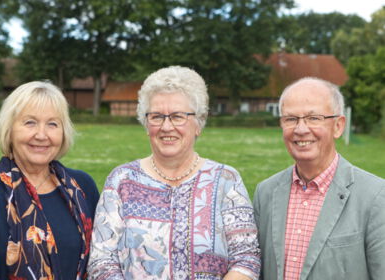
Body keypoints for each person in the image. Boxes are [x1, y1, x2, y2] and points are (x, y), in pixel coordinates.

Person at [87, 66, 260, 280]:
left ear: (198, 123)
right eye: (157, 116)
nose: (166, 127)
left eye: (178, 116)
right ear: (145, 123)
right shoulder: (122, 180)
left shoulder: (226, 180)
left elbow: (246, 259)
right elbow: (101, 262)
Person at [253, 77, 385, 280]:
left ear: (339, 126)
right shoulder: (265, 193)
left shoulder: (375, 197)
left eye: (313, 118)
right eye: (291, 119)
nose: (301, 129)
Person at [0, 81, 100, 280]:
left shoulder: (82, 186)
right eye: (30, 122)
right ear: (9, 129)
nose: (41, 135)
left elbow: (102, 261)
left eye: (52, 124)